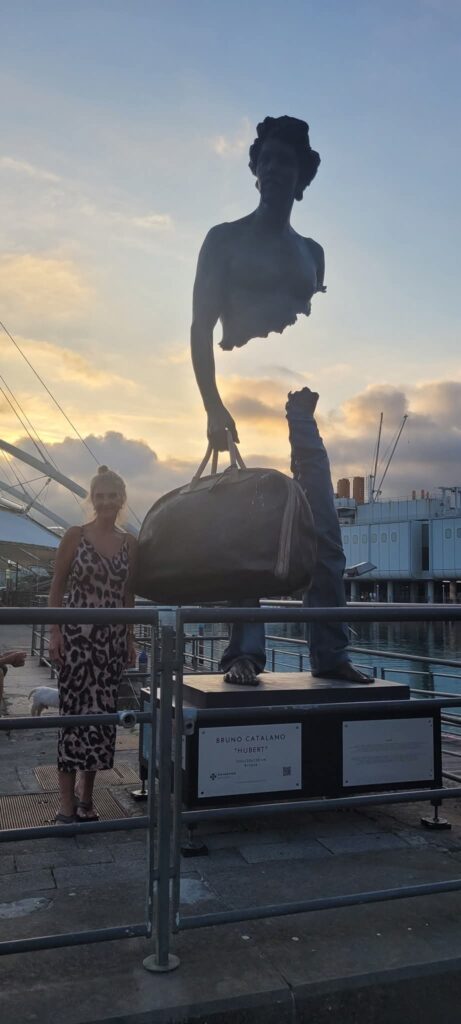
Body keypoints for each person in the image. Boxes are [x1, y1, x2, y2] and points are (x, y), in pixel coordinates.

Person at [190, 114, 372, 686]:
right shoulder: (222, 240)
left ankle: (330, 654)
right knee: (246, 534)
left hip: (306, 404)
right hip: (238, 403)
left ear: (301, 177)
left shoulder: (315, 253)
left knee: (325, 537)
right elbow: (200, 329)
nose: (273, 168)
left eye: (285, 161)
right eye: (265, 158)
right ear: (255, 168)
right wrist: (212, 405)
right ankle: (244, 652)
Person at [48, 466, 137, 824]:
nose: (105, 502)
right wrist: (55, 632)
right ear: (91, 499)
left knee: (101, 720)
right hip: (76, 640)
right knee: (73, 717)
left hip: (111, 642)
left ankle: (88, 799)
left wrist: (130, 637)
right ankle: (66, 804)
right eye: (99, 496)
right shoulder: (75, 535)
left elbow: (128, 593)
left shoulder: (130, 542)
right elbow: (57, 586)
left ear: (121, 499)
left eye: (111, 496)